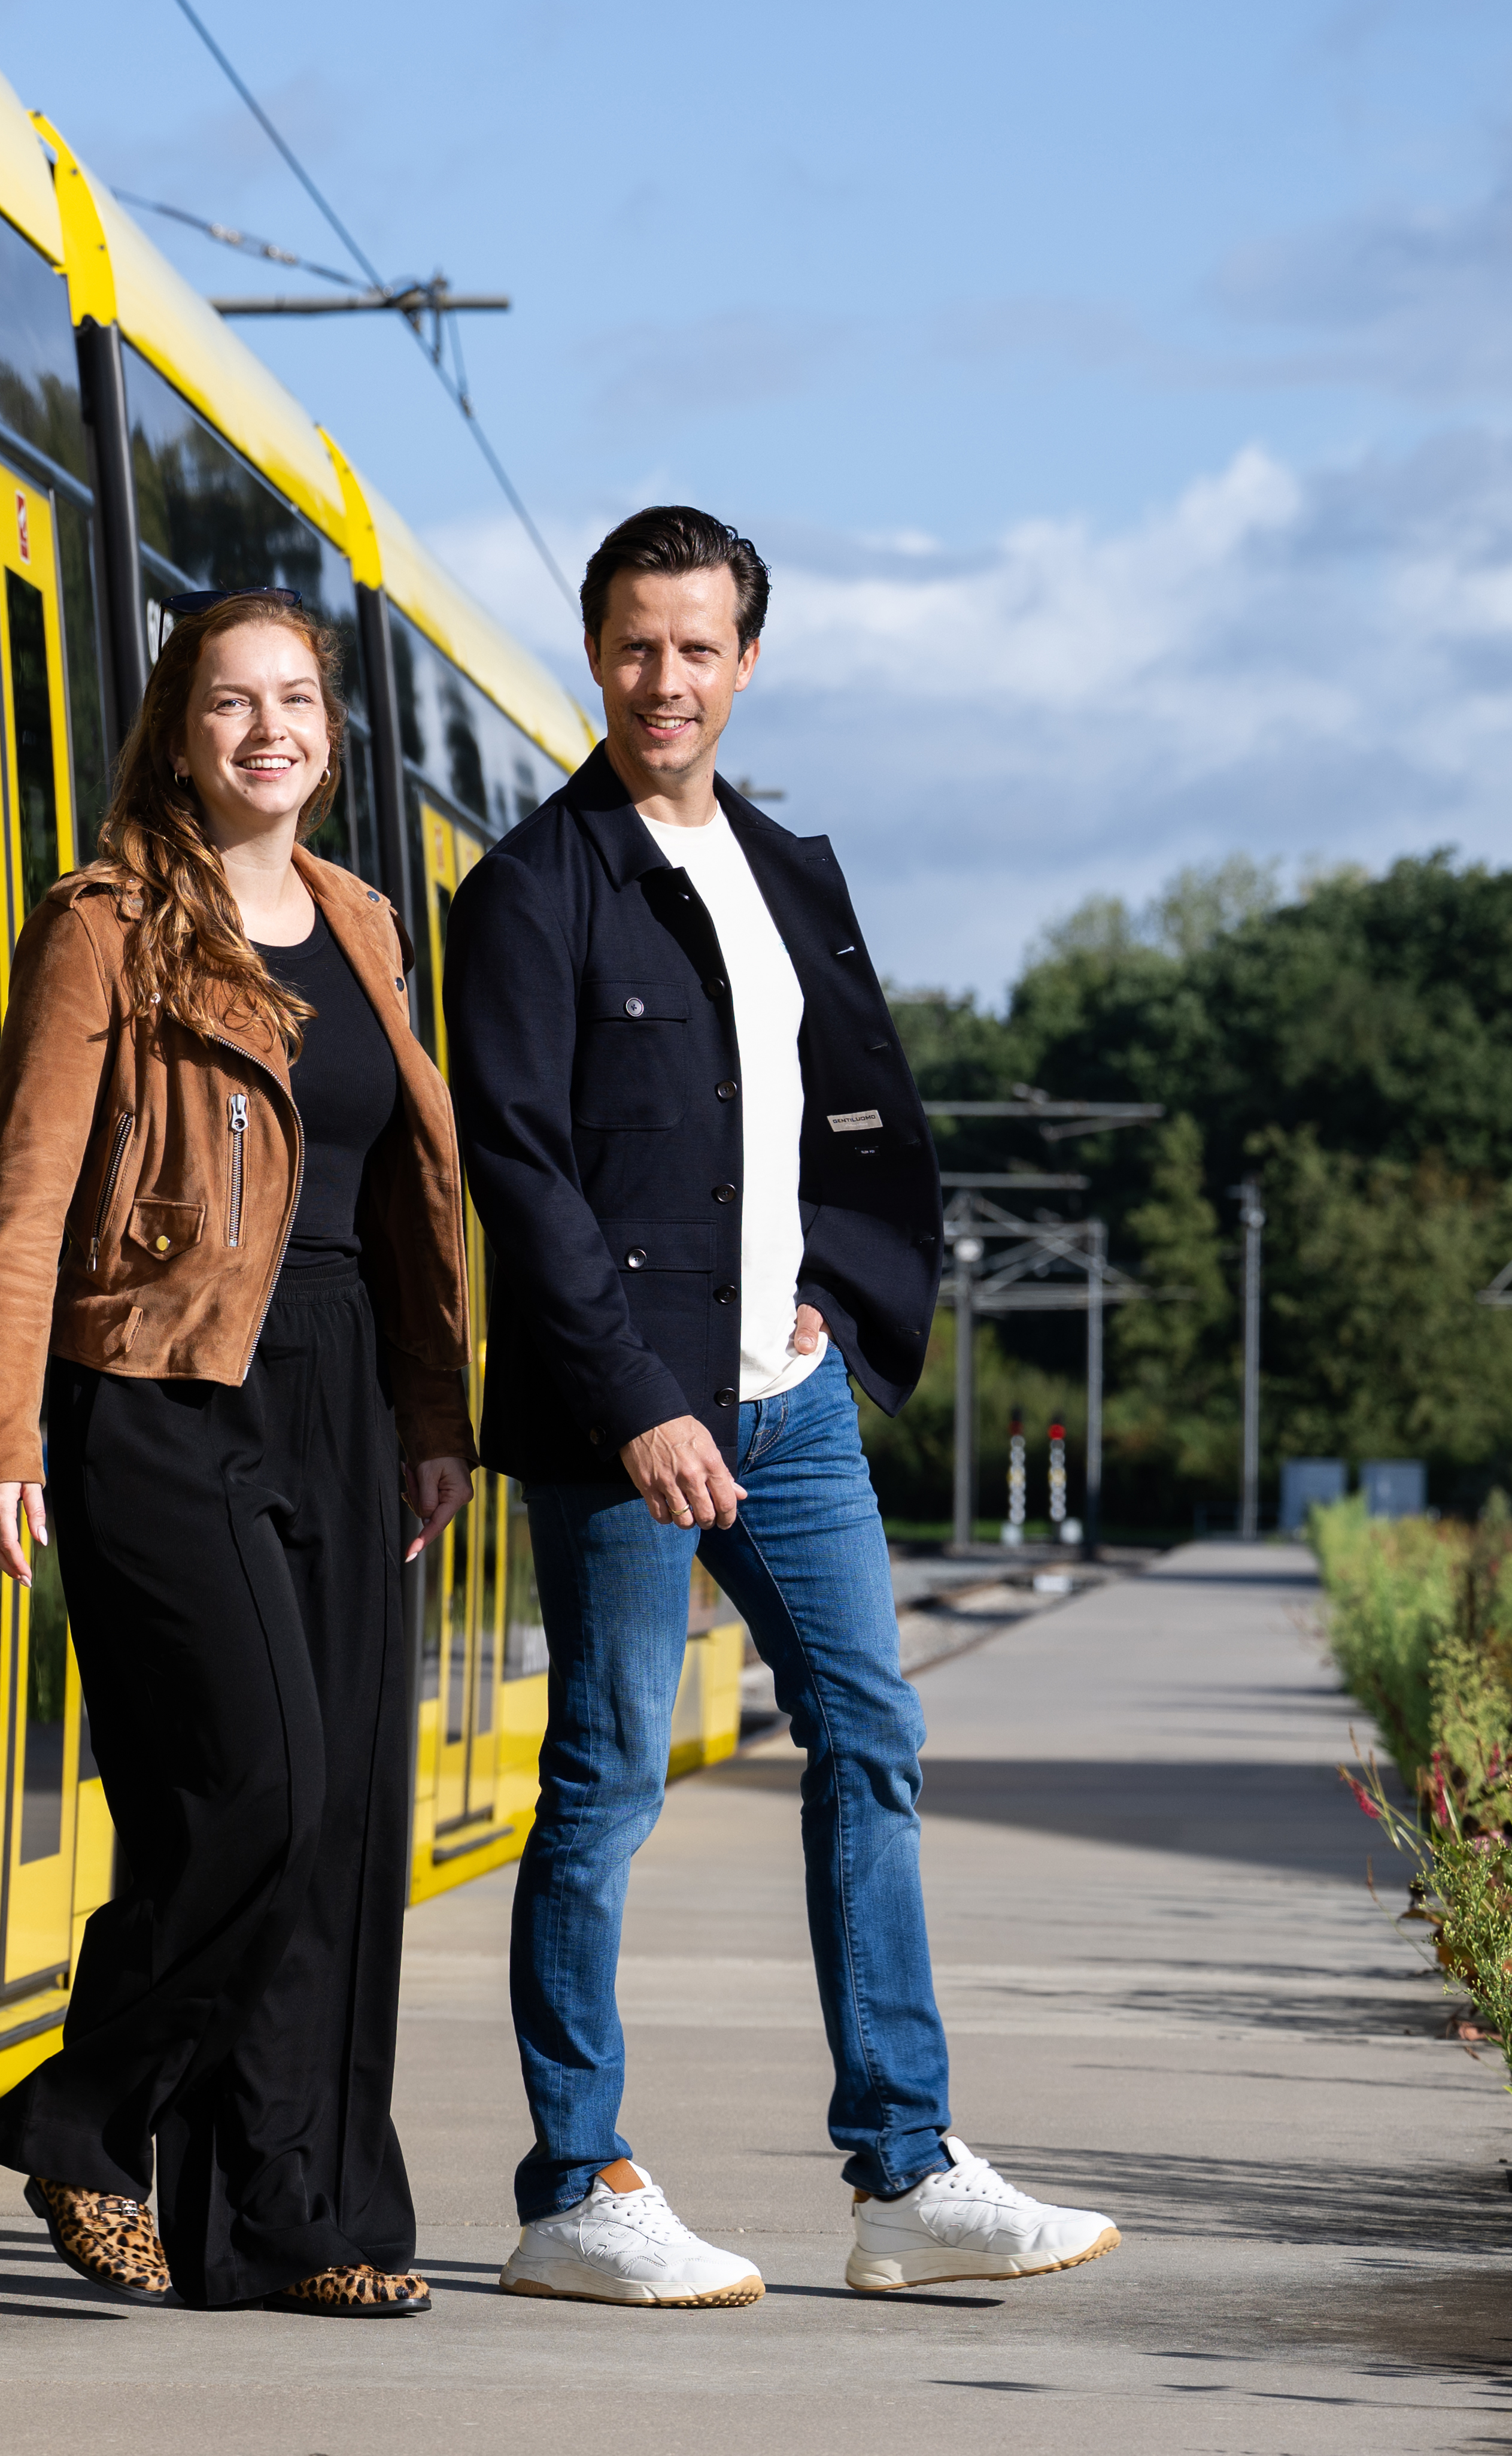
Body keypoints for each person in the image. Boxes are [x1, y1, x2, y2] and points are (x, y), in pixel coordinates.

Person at [442, 505, 1121, 2305]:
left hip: (789, 1402)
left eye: (696, 647)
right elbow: (519, 1169)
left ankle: (901, 2174)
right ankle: (575, 2184)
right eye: (634, 645)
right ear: (593, 653)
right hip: (625, 1419)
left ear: (749, 662)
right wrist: (636, 1399)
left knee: (871, 1739)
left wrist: (829, 1296)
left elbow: (848, 1110)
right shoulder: (527, 891)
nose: (664, 680)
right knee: (603, 1785)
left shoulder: (791, 872)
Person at [0, 590, 475, 2317]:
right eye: (230, 702)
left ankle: (294, 2217)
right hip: (159, 1388)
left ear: (332, 734)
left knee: (341, 1834)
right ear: (177, 734)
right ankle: (85, 2122)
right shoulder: (107, 921)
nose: (268, 728)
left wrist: (430, 1413)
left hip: (337, 1389)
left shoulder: (367, 924)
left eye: (296, 700)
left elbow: (399, 1196)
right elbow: (28, 1192)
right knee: (259, 1791)